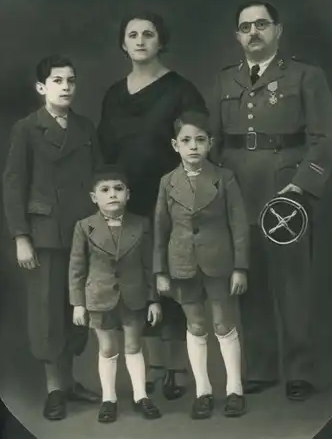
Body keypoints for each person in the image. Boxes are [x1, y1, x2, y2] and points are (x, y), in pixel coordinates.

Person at [209, 0, 332, 401]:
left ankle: (299, 370)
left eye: (262, 24)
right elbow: (213, 142)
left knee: (293, 283)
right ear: (237, 36)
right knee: (250, 280)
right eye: (246, 27)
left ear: (278, 30)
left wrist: (301, 184)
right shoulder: (226, 81)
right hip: (239, 190)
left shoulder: (305, 76)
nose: (254, 32)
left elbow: (324, 138)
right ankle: (260, 367)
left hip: (286, 195)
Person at [97, 11, 208, 399]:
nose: (141, 40)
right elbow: (104, 152)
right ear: (123, 44)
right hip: (125, 204)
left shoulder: (181, 90)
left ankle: (173, 369)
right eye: (133, 34)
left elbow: (199, 143)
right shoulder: (113, 94)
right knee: (133, 282)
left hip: (171, 200)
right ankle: (140, 368)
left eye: (149, 34)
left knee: (174, 279)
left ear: (162, 41)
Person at [2, 55, 101, 420]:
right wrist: (20, 236)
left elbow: (98, 180)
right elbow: (14, 186)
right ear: (41, 87)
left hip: (82, 231)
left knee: (79, 307)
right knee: (47, 312)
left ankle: (71, 382)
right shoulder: (27, 129)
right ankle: (55, 389)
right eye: (57, 80)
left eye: (71, 80)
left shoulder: (86, 128)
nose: (66, 87)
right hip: (44, 234)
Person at [153, 111, 249, 419]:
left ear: (210, 144)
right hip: (181, 264)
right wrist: (160, 271)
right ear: (174, 145)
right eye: (186, 141)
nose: (193, 147)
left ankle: (235, 389)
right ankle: (203, 391)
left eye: (200, 140)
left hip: (219, 263)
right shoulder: (168, 183)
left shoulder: (224, 177)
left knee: (223, 323)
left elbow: (239, 224)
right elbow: (160, 230)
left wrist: (240, 267)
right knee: (194, 325)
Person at [69, 165, 162, 423]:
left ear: (128, 194)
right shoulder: (84, 227)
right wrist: (78, 303)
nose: (112, 195)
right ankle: (108, 398)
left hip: (133, 296)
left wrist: (153, 299)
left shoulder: (140, 224)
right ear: (93, 197)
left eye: (118, 189)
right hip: (98, 297)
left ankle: (141, 395)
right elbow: (76, 268)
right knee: (108, 347)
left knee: (133, 345)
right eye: (105, 190)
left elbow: (148, 265)